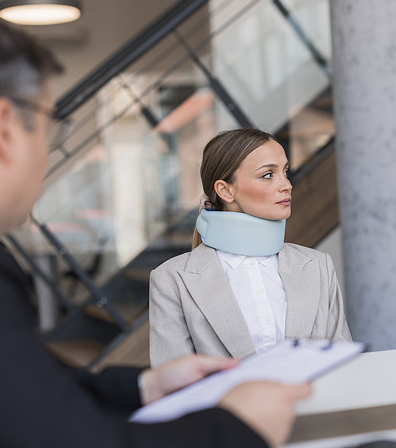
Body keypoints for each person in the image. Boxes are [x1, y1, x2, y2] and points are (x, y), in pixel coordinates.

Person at [0, 9, 311, 448]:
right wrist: (239, 426)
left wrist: (139, 387)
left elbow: (0, 391)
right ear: (5, 126)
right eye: (49, 134)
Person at [149, 128, 352, 366]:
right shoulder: (172, 280)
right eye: (268, 175)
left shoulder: (318, 266)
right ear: (225, 190)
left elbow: (344, 364)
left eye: (285, 171)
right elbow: (173, 386)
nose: (286, 185)